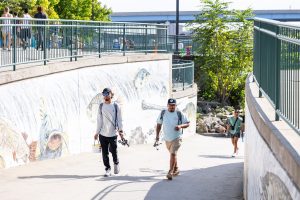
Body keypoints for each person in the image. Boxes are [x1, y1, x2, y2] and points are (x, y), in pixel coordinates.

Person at [155, 98, 190, 180]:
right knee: (172, 154)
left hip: (177, 137)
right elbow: (159, 125)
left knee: (173, 153)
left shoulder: (179, 113)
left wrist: (180, 126)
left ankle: (170, 172)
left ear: (175, 105)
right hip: (167, 138)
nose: (172, 107)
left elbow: (188, 123)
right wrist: (157, 136)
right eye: (170, 106)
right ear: (167, 105)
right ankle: (176, 168)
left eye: (173, 106)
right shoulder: (163, 113)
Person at [94, 88, 124, 177]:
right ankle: (107, 169)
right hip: (102, 134)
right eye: (104, 94)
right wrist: (97, 132)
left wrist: (120, 130)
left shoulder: (116, 106)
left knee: (114, 151)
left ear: (111, 94)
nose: (106, 96)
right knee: (104, 153)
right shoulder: (101, 106)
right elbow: (99, 121)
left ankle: (116, 162)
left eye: (107, 94)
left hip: (113, 133)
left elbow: (119, 119)